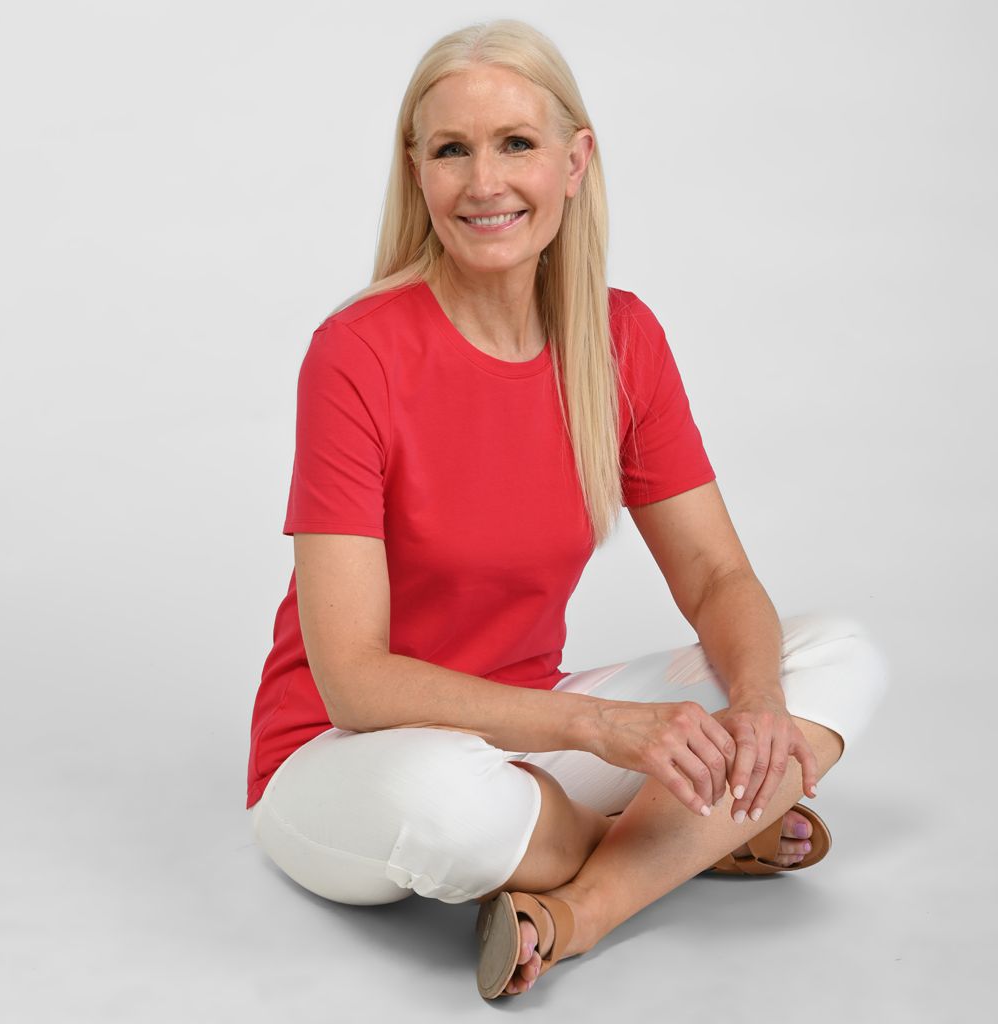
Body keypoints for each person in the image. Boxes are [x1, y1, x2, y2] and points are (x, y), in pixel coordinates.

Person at [246, 18, 889, 1002]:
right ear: (416, 171)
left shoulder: (620, 340)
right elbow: (355, 683)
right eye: (451, 150)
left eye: (516, 143)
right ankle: (692, 839)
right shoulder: (357, 353)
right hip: (341, 762)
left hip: (524, 733)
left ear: (575, 161)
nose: (484, 182)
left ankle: (581, 911)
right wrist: (603, 728)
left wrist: (759, 708)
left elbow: (717, 575)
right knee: (449, 808)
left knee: (837, 652)